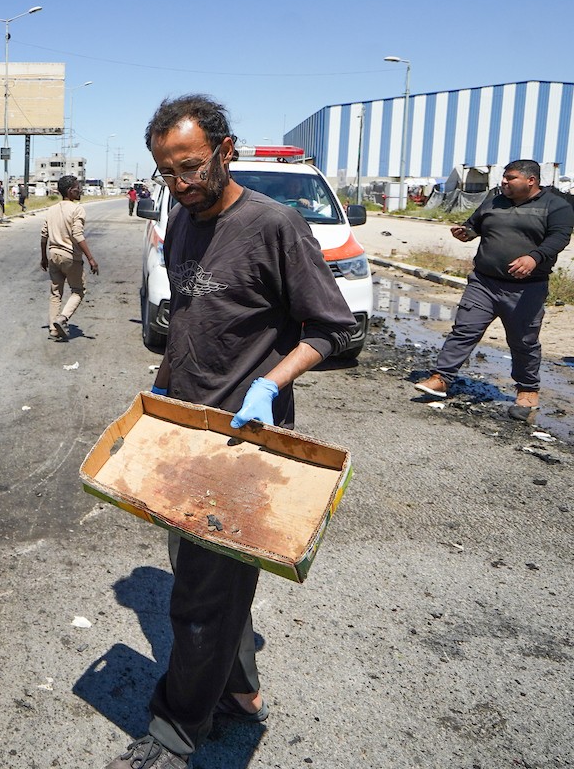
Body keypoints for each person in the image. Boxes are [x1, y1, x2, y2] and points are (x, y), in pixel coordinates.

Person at [106, 95, 354, 769]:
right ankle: (239, 692)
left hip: (243, 441)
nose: (181, 184)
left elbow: (333, 327)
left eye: (190, 167)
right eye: (167, 172)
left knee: (196, 597)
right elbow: (189, 316)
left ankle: (175, 730)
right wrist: (164, 386)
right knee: (207, 575)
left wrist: (270, 384)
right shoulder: (183, 222)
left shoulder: (277, 225)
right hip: (185, 431)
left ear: (226, 148)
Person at [413, 159, 573, 417]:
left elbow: (559, 238)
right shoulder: (495, 200)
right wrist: (465, 232)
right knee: (464, 330)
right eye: (504, 178)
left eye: (511, 178)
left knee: (523, 341)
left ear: (531, 180)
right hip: (483, 283)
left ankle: (528, 391)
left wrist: (534, 257)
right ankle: (441, 378)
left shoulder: (556, 206)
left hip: (526, 289)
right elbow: (474, 224)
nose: (504, 182)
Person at [40, 174, 99, 340]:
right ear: (69, 191)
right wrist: (91, 259)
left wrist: (43, 257)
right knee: (79, 291)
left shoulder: (51, 210)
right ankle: (63, 318)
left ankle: (53, 329)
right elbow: (77, 234)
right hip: (70, 256)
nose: (79, 190)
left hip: (53, 255)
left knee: (55, 293)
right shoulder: (77, 209)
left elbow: (44, 236)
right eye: (76, 188)